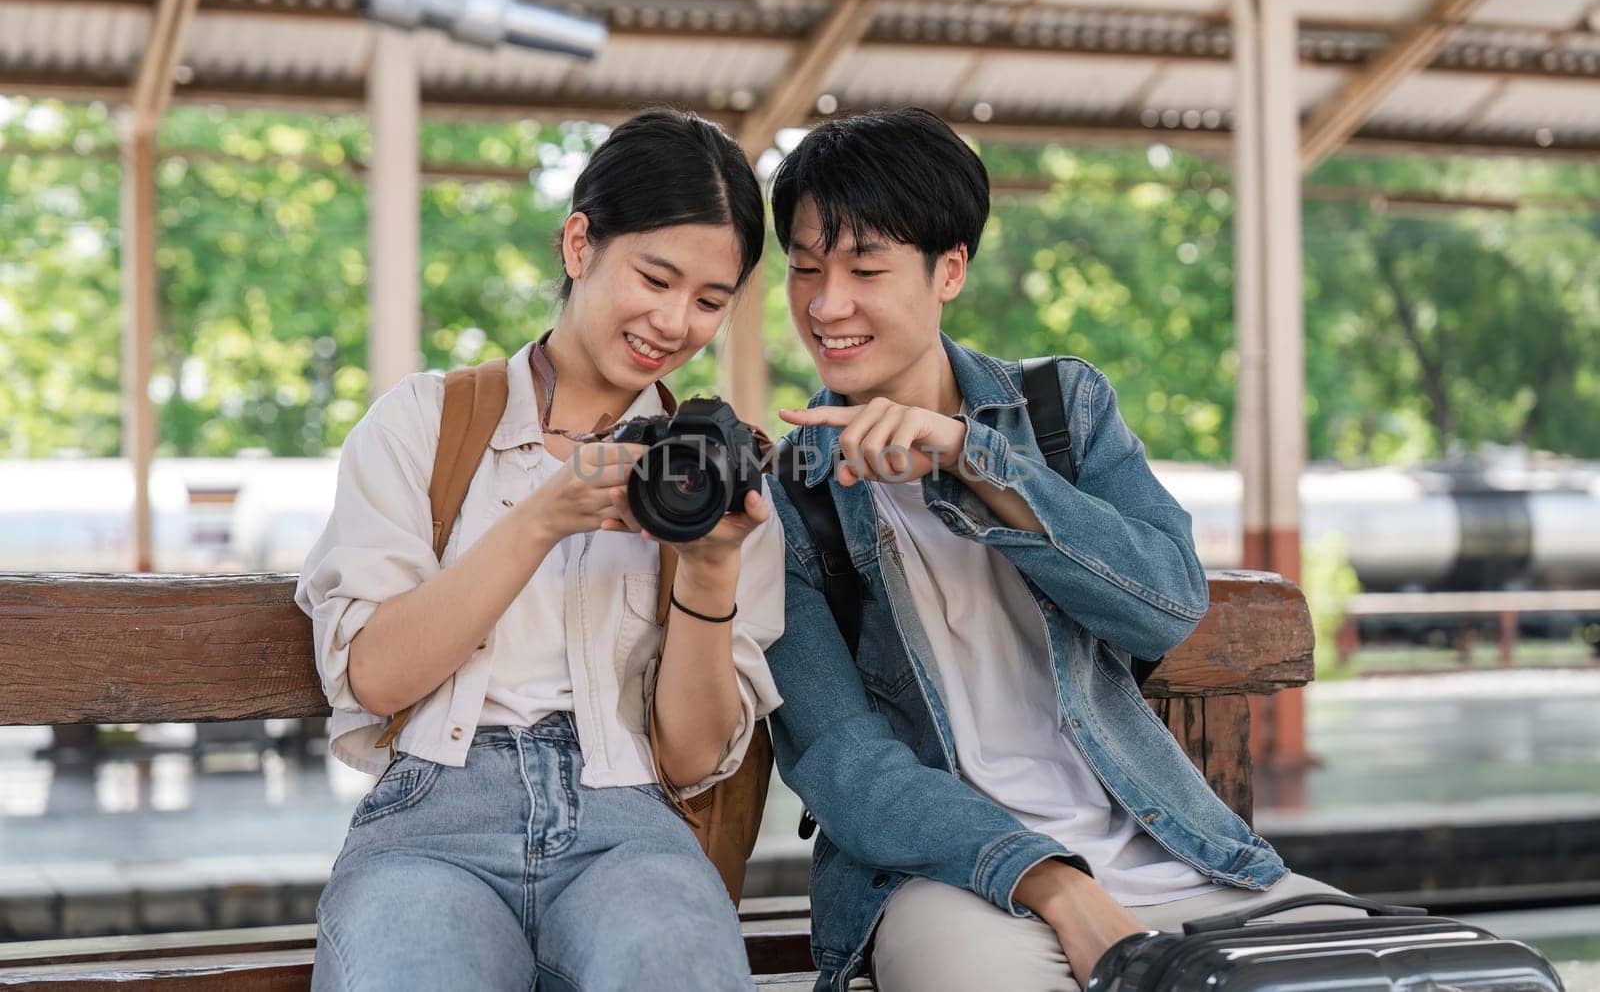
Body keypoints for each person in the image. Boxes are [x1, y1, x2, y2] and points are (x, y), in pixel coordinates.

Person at [762, 107, 1347, 992]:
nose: (826, 302)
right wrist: (1059, 885)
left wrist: (975, 462)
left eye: (865, 267)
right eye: (805, 266)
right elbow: (846, 765)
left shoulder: (1061, 411)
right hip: (945, 877)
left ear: (948, 268)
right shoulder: (791, 492)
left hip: (1169, 846)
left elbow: (1166, 600)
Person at [295, 109, 783, 992]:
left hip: (628, 819)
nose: (675, 321)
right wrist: (541, 517)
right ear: (579, 244)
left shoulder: (716, 473)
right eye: (655, 277)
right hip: (434, 821)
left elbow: (689, 757)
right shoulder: (422, 423)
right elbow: (375, 677)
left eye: (710, 301)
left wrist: (710, 567)